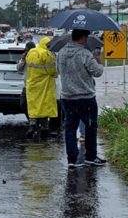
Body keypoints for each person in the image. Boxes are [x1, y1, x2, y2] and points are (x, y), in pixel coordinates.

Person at [55, 29, 105, 168]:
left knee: (70, 128)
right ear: (83, 37)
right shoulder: (84, 54)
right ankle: (90, 157)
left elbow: (58, 70)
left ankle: (72, 159)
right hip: (85, 98)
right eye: (87, 37)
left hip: (67, 97)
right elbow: (97, 72)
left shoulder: (61, 53)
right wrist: (99, 62)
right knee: (90, 127)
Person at [17, 36, 57, 140]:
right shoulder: (46, 54)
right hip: (43, 85)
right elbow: (51, 70)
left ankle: (37, 127)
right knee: (43, 106)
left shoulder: (31, 54)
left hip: (31, 85)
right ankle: (40, 128)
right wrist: (55, 73)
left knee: (34, 106)